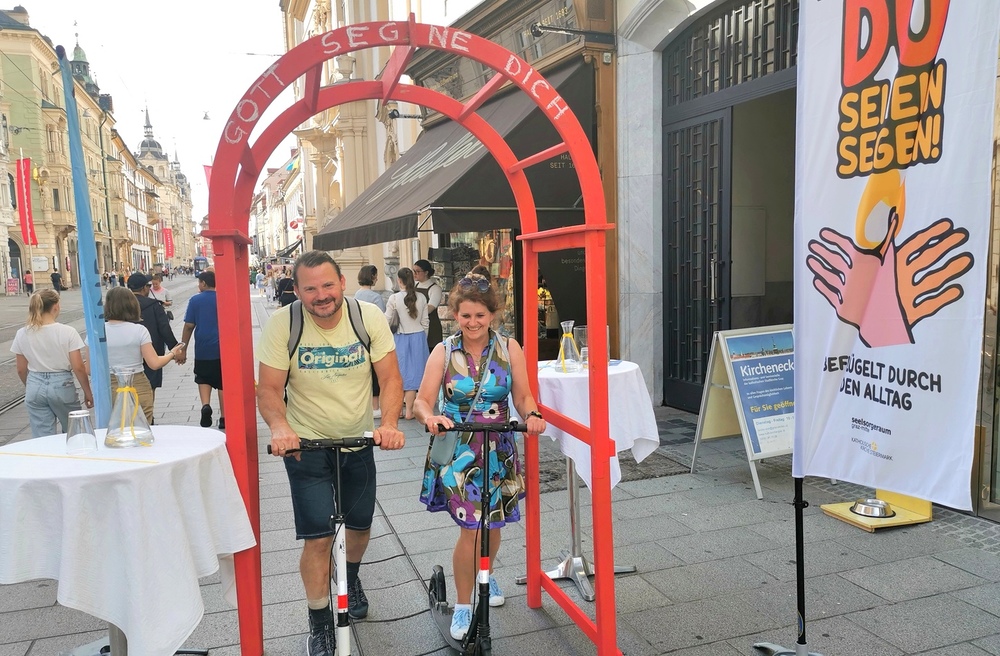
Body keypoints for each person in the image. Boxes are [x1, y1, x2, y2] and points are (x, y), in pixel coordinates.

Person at [256, 250, 405, 656]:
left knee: (359, 528)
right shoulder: (283, 324)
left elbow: (390, 377)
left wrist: (388, 423)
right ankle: (319, 618)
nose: (321, 295)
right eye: (310, 288)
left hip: (357, 441)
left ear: (341, 282)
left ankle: (350, 576)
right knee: (319, 539)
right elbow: (268, 389)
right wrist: (281, 427)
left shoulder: (366, 318)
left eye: (327, 285)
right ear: (297, 290)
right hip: (306, 447)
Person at [412, 272, 546, 641]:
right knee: (471, 530)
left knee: (494, 525)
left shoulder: (510, 348)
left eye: (480, 316)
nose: (472, 323)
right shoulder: (444, 351)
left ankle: (485, 572)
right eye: (466, 316)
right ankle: (462, 603)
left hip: (499, 448)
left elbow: (522, 396)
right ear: (455, 314)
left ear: (493, 315)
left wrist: (531, 415)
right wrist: (431, 417)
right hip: (458, 452)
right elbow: (421, 402)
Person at [11, 290, 93, 437]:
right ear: (56, 306)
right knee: (74, 431)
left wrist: (30, 385)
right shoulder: (68, 332)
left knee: (42, 437)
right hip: (62, 385)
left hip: (35, 383)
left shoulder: (22, 333)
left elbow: (21, 369)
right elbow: (78, 367)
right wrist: (88, 392)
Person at [100, 287, 184, 424]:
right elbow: (154, 363)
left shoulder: (99, 332)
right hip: (137, 384)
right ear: (132, 305)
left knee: (115, 430)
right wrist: (172, 353)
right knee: (141, 430)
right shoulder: (139, 330)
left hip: (109, 386)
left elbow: (89, 369)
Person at [128, 273, 182, 415]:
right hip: (152, 352)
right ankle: (148, 417)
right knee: (150, 386)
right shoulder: (154, 306)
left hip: (129, 355)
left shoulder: (122, 307)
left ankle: (132, 416)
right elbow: (164, 328)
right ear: (145, 288)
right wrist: (176, 350)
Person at [179, 271, 225, 430]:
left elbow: (189, 326)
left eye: (199, 282)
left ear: (204, 283)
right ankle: (224, 416)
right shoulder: (223, 298)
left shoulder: (195, 300)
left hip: (203, 349)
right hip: (222, 349)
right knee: (222, 383)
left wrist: (182, 349)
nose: (198, 285)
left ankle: (206, 405)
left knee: (203, 378)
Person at [384, 267, 428, 420]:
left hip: (400, 337)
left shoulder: (394, 298)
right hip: (418, 337)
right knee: (414, 375)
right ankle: (410, 410)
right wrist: (423, 338)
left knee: (399, 374)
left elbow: (386, 320)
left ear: (399, 280)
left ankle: (400, 411)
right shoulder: (421, 298)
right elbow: (425, 322)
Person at [355, 265, 385, 418]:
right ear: (372, 277)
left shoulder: (355, 296)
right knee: (375, 372)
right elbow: (382, 319)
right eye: (376, 275)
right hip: (373, 337)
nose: (377, 278)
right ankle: (375, 406)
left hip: (358, 337)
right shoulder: (375, 298)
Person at [413, 259, 443, 351]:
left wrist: (413, 311)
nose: (415, 274)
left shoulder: (435, 289)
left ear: (426, 272)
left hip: (431, 327)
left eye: (417, 271)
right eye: (413, 271)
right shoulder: (415, 286)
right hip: (416, 325)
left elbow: (430, 307)